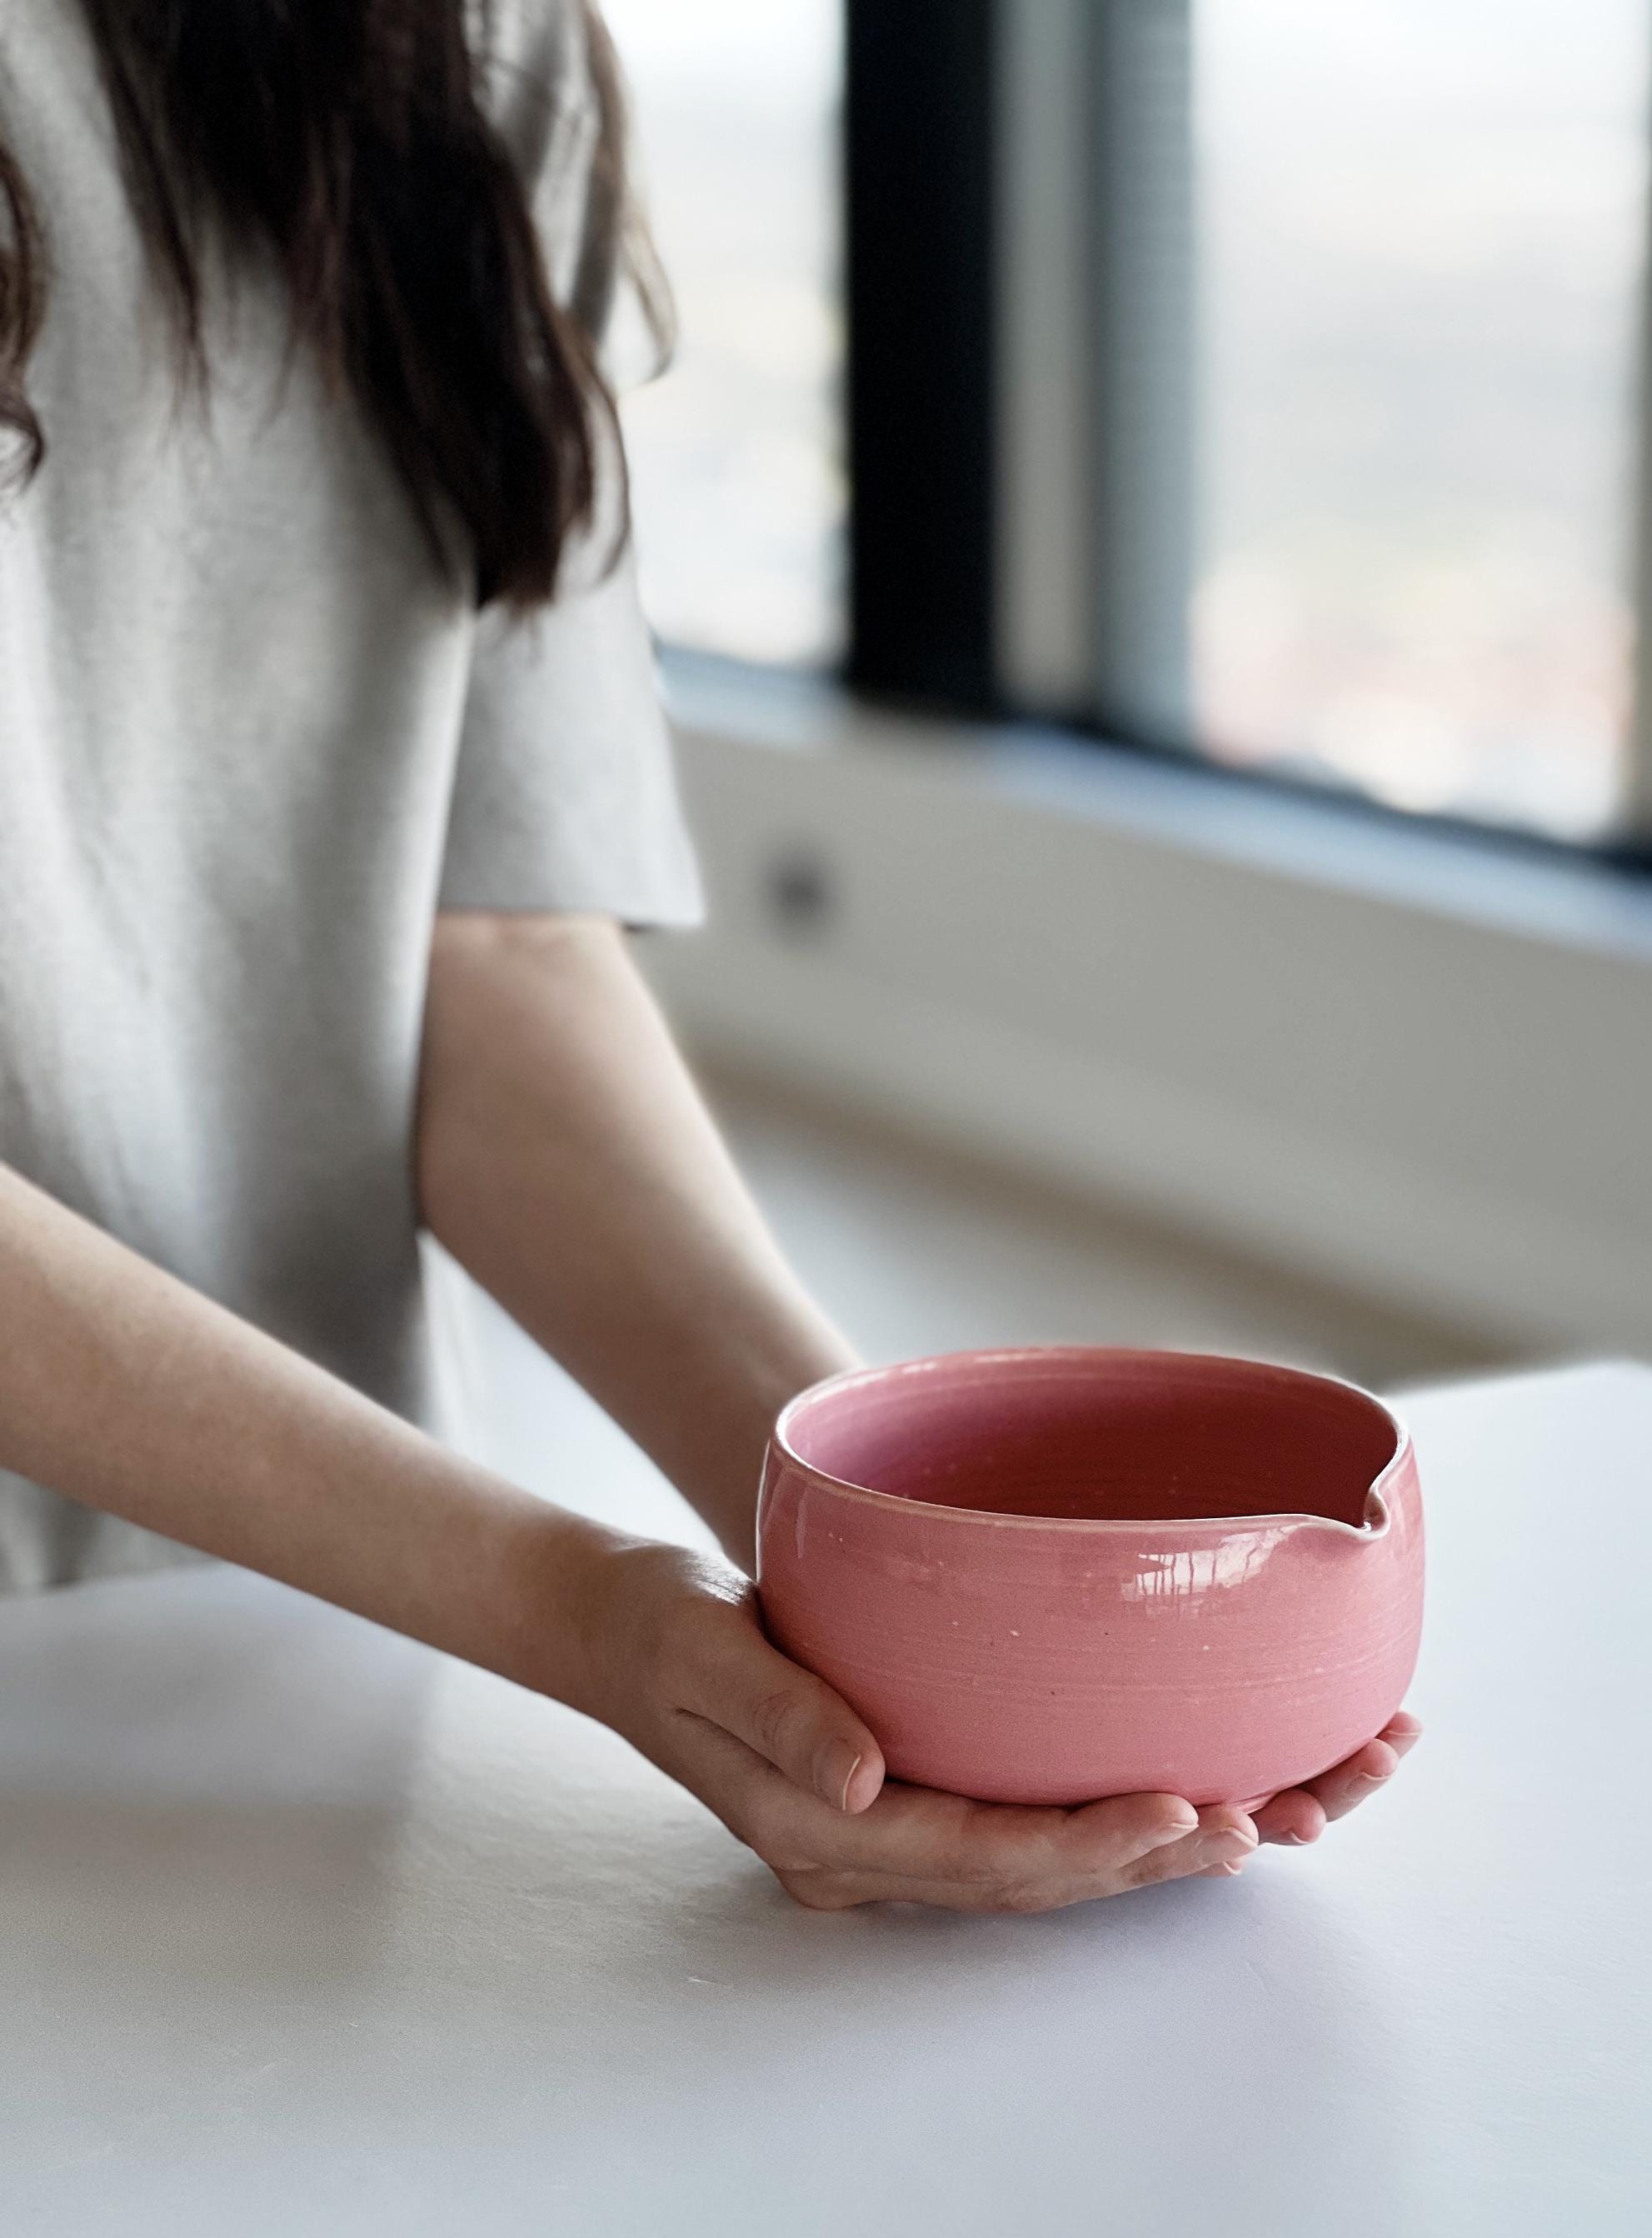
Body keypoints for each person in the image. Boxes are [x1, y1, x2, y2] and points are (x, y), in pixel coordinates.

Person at [0, 0, 1415, 1915]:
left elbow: (491, 948)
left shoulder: (458, 46)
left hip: (312, 1628)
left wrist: (891, 1547)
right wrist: (578, 1612)